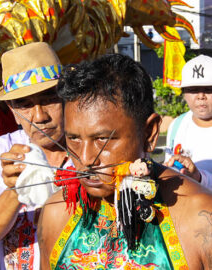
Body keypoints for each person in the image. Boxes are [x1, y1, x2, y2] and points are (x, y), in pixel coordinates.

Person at [38, 53, 212, 269]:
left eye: (102, 139)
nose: (84, 159)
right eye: (73, 138)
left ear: (149, 132)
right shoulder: (58, 212)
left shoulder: (200, 217)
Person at [0, 42, 70, 269]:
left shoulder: (92, 148)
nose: (39, 116)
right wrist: (16, 191)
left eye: (49, 98)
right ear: (13, 112)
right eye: (24, 105)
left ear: (66, 97)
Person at [165, 54, 212, 190]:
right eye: (193, 90)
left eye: (208, 90)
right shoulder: (177, 125)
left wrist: (200, 178)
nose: (200, 96)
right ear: (184, 93)